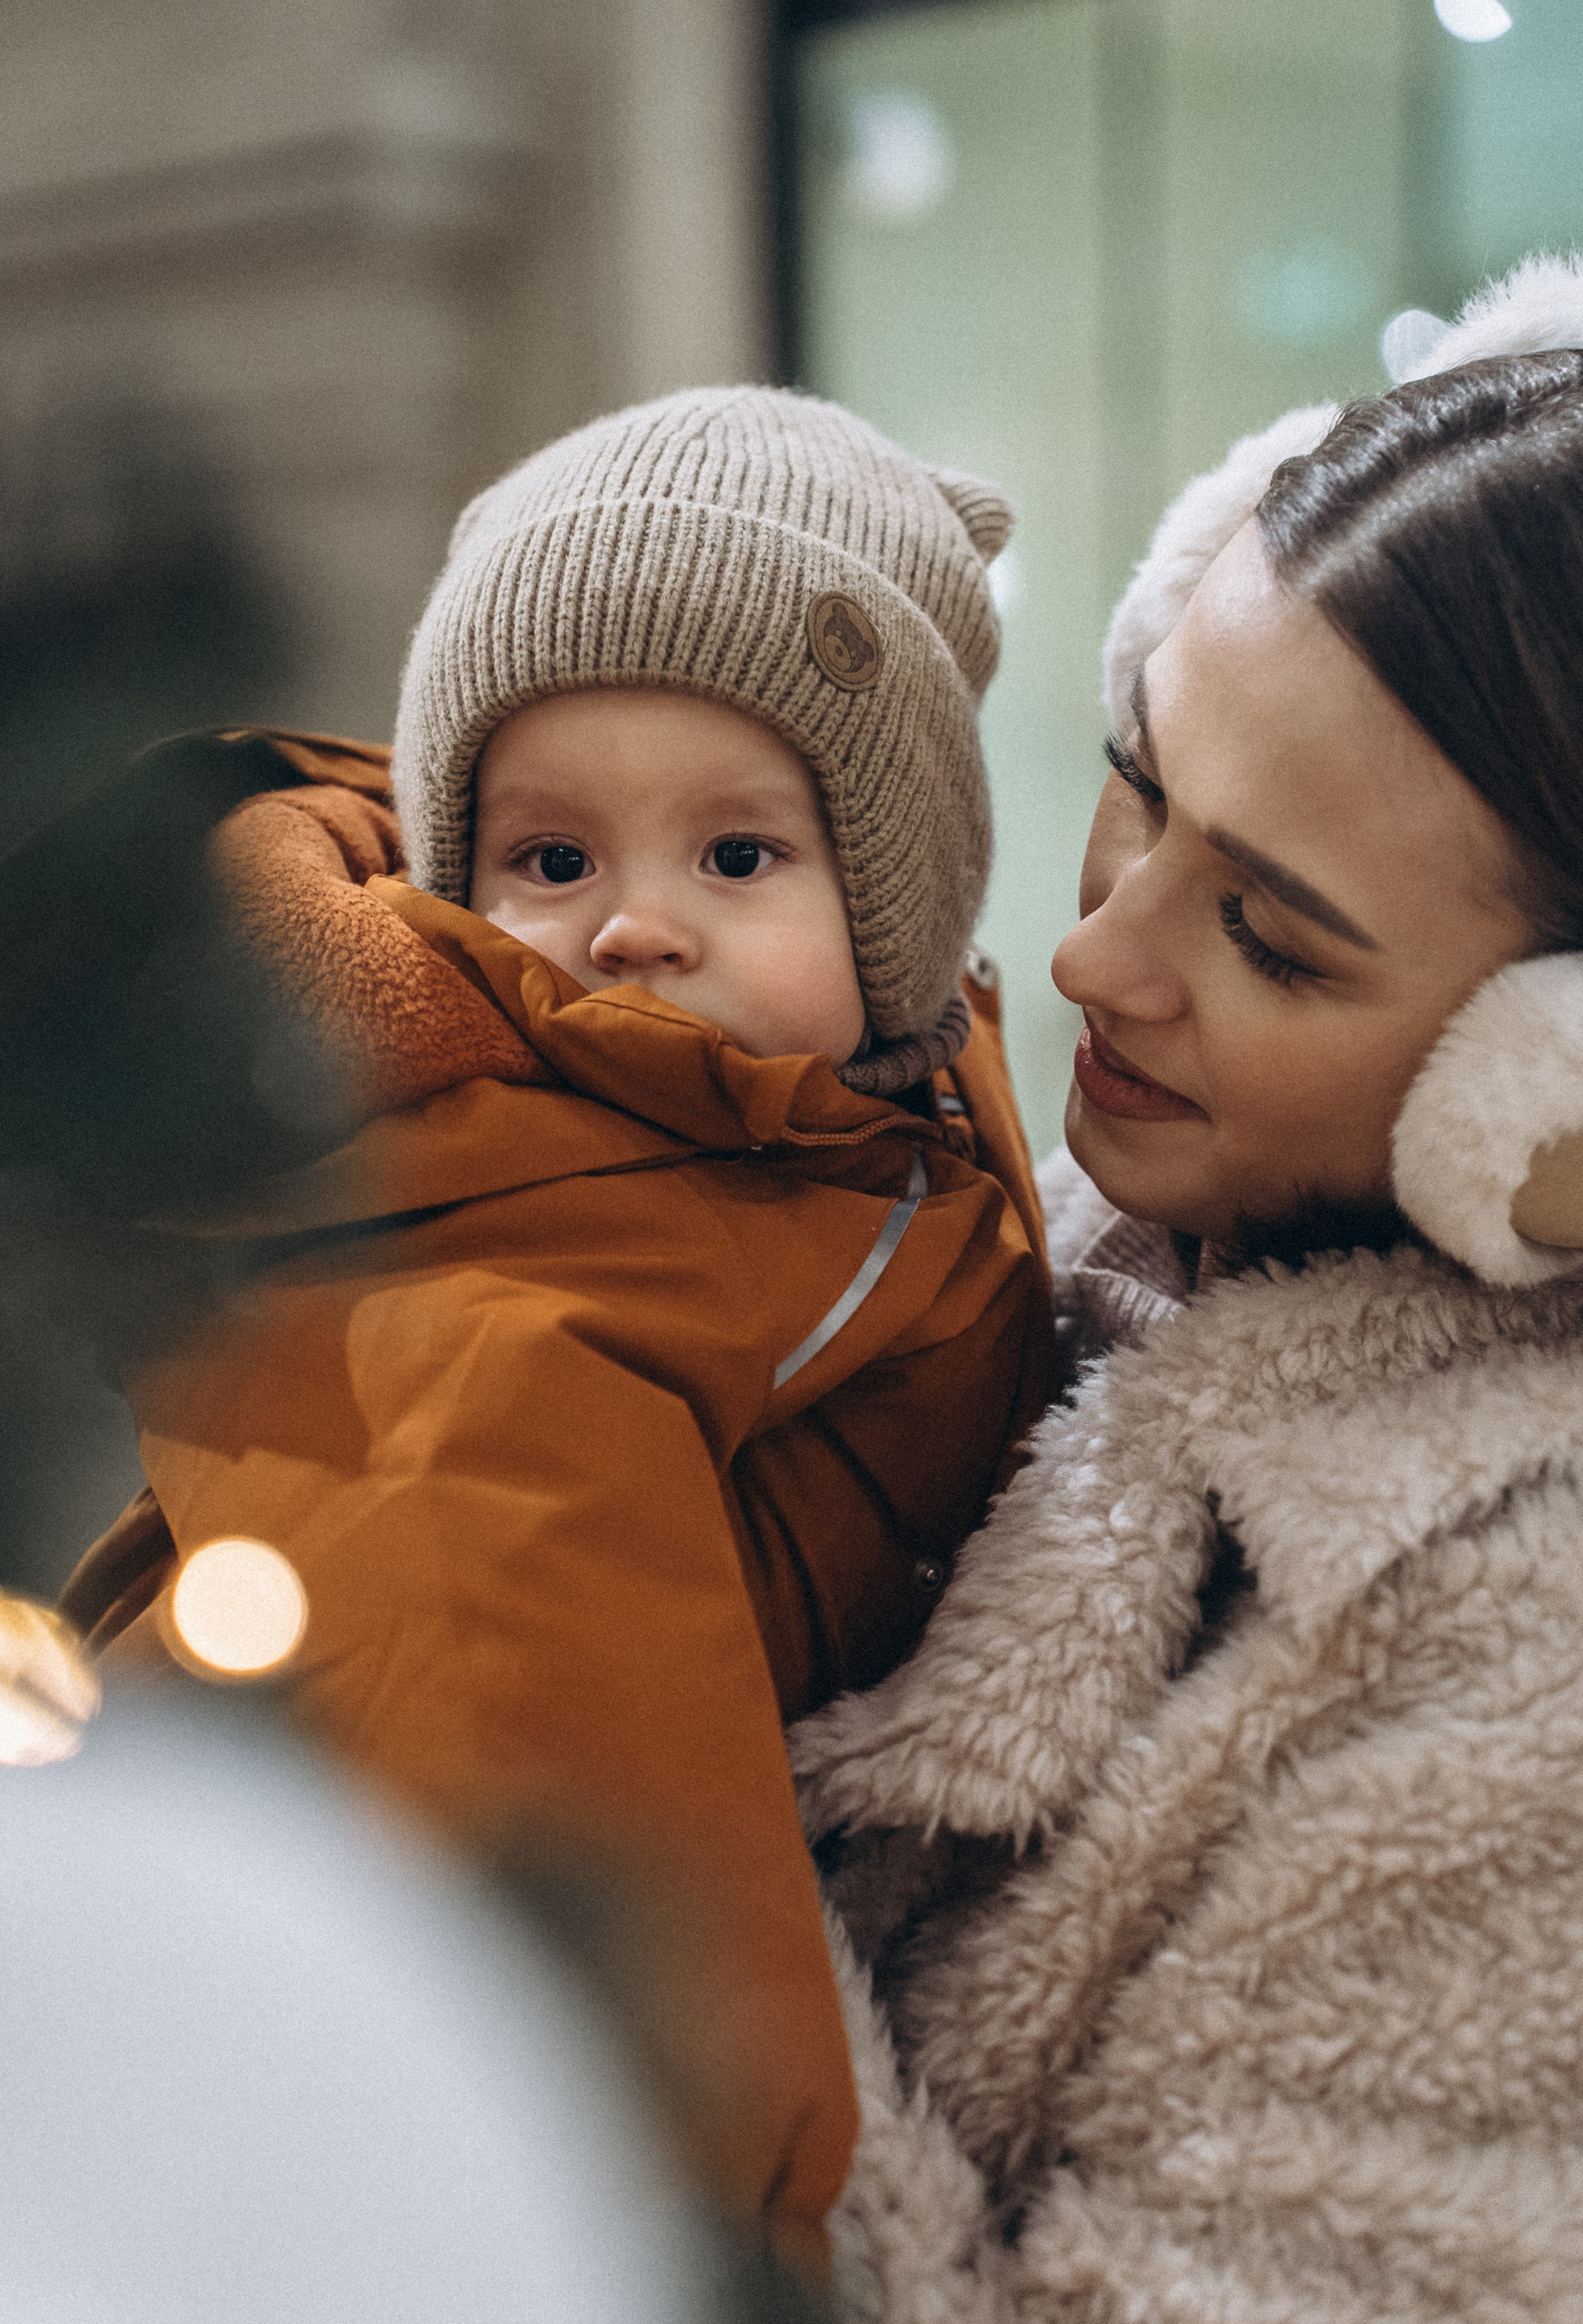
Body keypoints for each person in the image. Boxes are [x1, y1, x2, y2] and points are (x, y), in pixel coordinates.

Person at [27, 387, 1055, 2274]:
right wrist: (702, 2241)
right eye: (552, 860)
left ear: (906, 916)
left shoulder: (875, 1112)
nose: (634, 928)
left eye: (735, 858)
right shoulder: (506, 1271)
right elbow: (529, 1759)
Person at [793, 255, 1583, 2323]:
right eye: (1141, 776)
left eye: (1277, 941)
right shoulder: (1031, 1228)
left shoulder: (1541, 1668)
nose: (1096, 959)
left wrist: (640, 1897)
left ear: (1552, 1085)